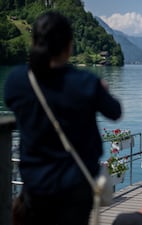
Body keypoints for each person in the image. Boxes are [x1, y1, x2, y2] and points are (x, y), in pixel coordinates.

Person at [4, 11, 122, 225]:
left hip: (35, 186)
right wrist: (101, 91)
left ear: (34, 42)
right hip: (76, 187)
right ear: (69, 46)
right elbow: (115, 112)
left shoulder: (17, 81)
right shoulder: (85, 83)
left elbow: (13, 102)